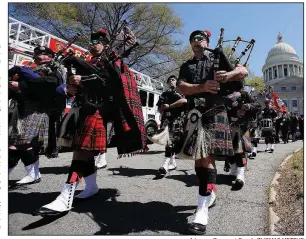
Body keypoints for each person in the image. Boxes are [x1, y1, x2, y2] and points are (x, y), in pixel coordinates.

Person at [34, 28, 147, 216]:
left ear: (104, 43)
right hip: (83, 109)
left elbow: (108, 83)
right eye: (91, 41)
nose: (92, 44)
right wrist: (72, 86)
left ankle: (65, 197)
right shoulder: (90, 62)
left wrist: (81, 69)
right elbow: (84, 85)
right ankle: (92, 187)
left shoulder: (112, 60)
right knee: (83, 153)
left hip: (99, 110)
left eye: (96, 41)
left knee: (80, 152)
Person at [177, 29, 248, 235]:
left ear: (207, 42)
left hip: (214, 111)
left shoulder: (218, 57)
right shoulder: (187, 65)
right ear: (191, 44)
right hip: (194, 114)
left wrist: (227, 76)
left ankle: (201, 212)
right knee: (199, 161)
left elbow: (242, 72)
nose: (197, 41)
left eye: (200, 38)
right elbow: (182, 87)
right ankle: (208, 194)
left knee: (206, 159)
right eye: (193, 39)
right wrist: (202, 86)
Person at [8, 46, 66, 187]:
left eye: (43, 54)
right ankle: (33, 174)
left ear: (51, 56)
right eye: (37, 54)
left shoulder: (57, 68)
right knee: (19, 143)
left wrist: (20, 83)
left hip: (39, 109)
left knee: (21, 143)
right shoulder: (33, 69)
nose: (39, 56)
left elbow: (49, 85)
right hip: (22, 109)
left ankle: (31, 174)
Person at [155, 75, 187, 176]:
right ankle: (172, 163)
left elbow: (184, 101)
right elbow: (159, 107)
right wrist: (161, 109)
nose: (171, 81)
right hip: (166, 119)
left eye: (173, 80)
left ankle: (165, 166)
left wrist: (170, 106)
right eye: (169, 80)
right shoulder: (164, 94)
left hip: (177, 120)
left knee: (171, 141)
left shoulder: (182, 91)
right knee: (168, 142)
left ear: (177, 81)